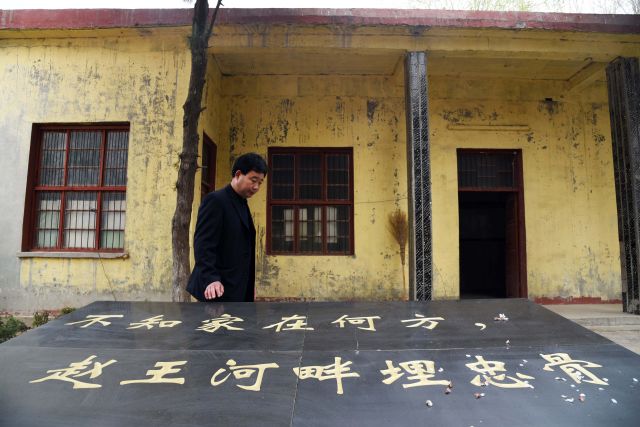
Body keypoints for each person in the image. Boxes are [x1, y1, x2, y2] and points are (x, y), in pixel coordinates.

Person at [187, 153, 267, 302]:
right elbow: (203, 244)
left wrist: (248, 285)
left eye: (260, 183)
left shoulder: (242, 202)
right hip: (217, 289)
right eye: (253, 180)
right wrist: (211, 279)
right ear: (238, 174)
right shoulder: (216, 200)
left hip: (236, 287)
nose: (256, 187)